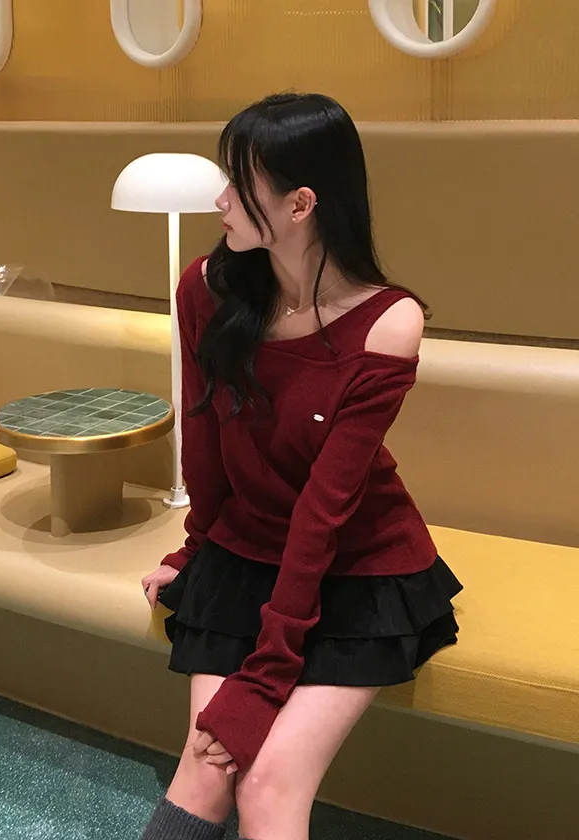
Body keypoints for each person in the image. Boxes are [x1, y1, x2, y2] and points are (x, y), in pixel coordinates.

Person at [139, 92, 463, 840]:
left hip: (357, 569)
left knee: (269, 786)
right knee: (207, 767)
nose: (219, 200)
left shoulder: (388, 322)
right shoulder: (207, 288)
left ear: (301, 204)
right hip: (246, 554)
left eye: (237, 182)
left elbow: (326, 509)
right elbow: (205, 443)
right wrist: (194, 549)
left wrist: (268, 674)